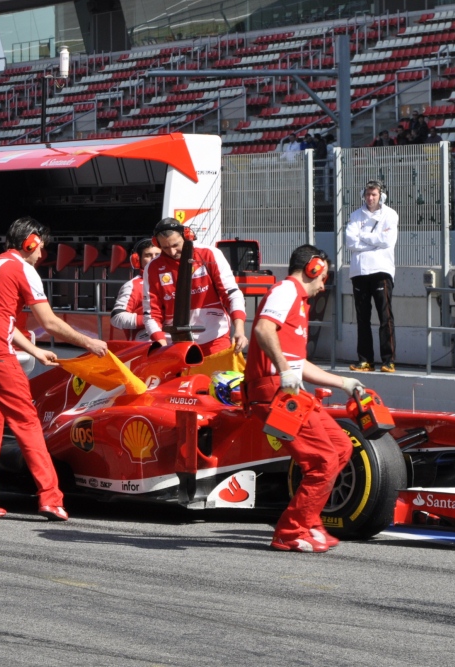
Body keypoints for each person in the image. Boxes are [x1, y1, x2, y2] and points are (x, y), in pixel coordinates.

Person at [0, 216, 107, 519]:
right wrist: (89, 342)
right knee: (27, 425)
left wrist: (34, 350)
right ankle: (50, 498)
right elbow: (49, 322)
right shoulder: (23, 269)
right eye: (40, 248)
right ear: (30, 243)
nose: (42, 254)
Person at [244, 244, 364, 552]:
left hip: (287, 390)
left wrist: (343, 382)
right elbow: (263, 330)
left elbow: (299, 364)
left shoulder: (297, 301)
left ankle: (308, 521)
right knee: (323, 460)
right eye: (324, 277)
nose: (324, 285)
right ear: (313, 268)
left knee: (340, 448)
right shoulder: (286, 291)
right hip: (275, 392)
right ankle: (290, 532)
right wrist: (285, 371)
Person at [142, 217, 247, 356]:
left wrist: (239, 329)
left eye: (175, 245)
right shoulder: (152, 267)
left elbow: (232, 294)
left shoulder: (209, 254)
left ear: (187, 236)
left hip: (215, 338)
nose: (172, 252)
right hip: (174, 343)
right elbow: (151, 313)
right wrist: (161, 344)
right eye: (165, 247)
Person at [345, 179, 398, 373]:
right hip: (359, 271)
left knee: (385, 316)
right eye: (367, 194)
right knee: (362, 318)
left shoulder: (390, 214)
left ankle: (388, 360)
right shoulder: (355, 215)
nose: (370, 198)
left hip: (381, 270)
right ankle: (365, 360)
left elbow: (387, 240)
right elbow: (350, 242)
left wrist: (363, 236)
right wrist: (374, 242)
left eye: (374, 194)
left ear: (381, 195)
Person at [111, 239, 162, 340]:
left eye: (158, 255)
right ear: (137, 260)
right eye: (148, 255)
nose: (153, 258)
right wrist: (150, 320)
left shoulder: (176, 282)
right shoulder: (132, 285)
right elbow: (116, 318)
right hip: (145, 345)